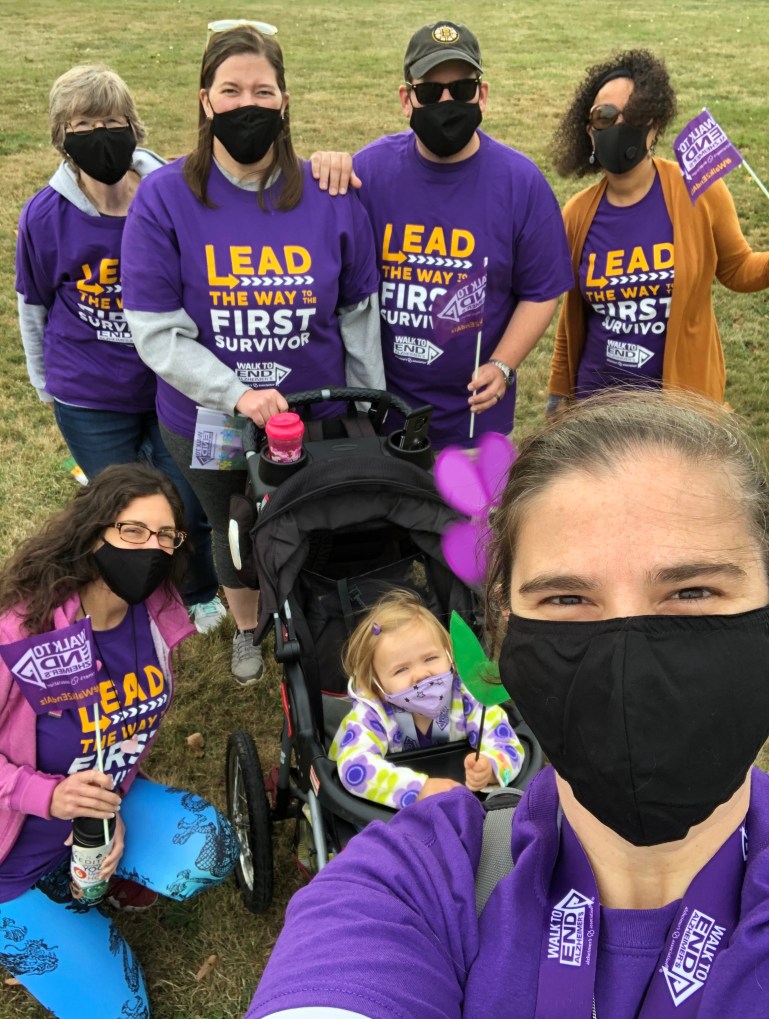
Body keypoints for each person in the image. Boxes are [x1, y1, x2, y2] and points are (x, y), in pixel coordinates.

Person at [245, 390, 769, 1019]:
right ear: (503, 623)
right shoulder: (409, 880)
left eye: (693, 591)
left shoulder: (465, 708)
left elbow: (493, 727)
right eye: (567, 599)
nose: (629, 660)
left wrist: (490, 762)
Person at [122, 25, 384, 686]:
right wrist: (236, 394)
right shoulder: (165, 198)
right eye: (231, 90)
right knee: (230, 524)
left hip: (314, 414)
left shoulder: (329, 193)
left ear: (284, 101)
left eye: (262, 91)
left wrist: (366, 407)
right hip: (208, 418)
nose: (247, 104)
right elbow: (156, 330)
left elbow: (358, 315)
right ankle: (247, 626)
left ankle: (317, 613)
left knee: (318, 517)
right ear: (205, 100)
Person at [0, 463, 237, 1019]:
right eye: (132, 531)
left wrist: (112, 811)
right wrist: (44, 795)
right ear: (93, 533)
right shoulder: (22, 629)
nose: (150, 549)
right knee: (121, 1015)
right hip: (11, 857)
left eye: (165, 535)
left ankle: (90, 883)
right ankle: (40, 912)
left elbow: (124, 733)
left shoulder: (154, 613)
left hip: (98, 813)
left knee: (213, 849)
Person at [15, 64, 224, 634]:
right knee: (119, 509)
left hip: (173, 383)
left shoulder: (172, 194)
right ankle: (127, 594)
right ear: (62, 136)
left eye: (110, 120)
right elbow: (33, 305)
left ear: (133, 125)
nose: (99, 134)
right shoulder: (45, 215)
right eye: (82, 125)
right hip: (89, 394)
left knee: (186, 501)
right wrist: (44, 382)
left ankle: (199, 590)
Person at [313, 20, 573, 449]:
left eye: (462, 89)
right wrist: (324, 167)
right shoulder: (368, 173)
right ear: (407, 99)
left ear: (482, 95)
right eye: (431, 92)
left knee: (476, 499)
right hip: (377, 423)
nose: (447, 103)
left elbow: (541, 290)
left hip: (475, 426)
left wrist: (502, 365)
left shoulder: (520, 182)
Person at [546, 49, 769, 417]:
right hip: (597, 411)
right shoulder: (577, 214)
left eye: (633, 115)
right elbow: (571, 318)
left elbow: (738, 268)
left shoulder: (698, 192)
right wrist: (558, 393)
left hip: (681, 414)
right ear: (590, 132)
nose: (619, 126)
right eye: (605, 116)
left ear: (654, 127)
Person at [330, 590, 523, 808]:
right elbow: (354, 766)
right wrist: (418, 789)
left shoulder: (467, 696)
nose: (421, 675)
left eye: (430, 658)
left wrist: (491, 767)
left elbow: (506, 742)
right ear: (376, 683)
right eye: (401, 670)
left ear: (449, 655)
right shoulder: (373, 713)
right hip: (393, 813)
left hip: (461, 802)